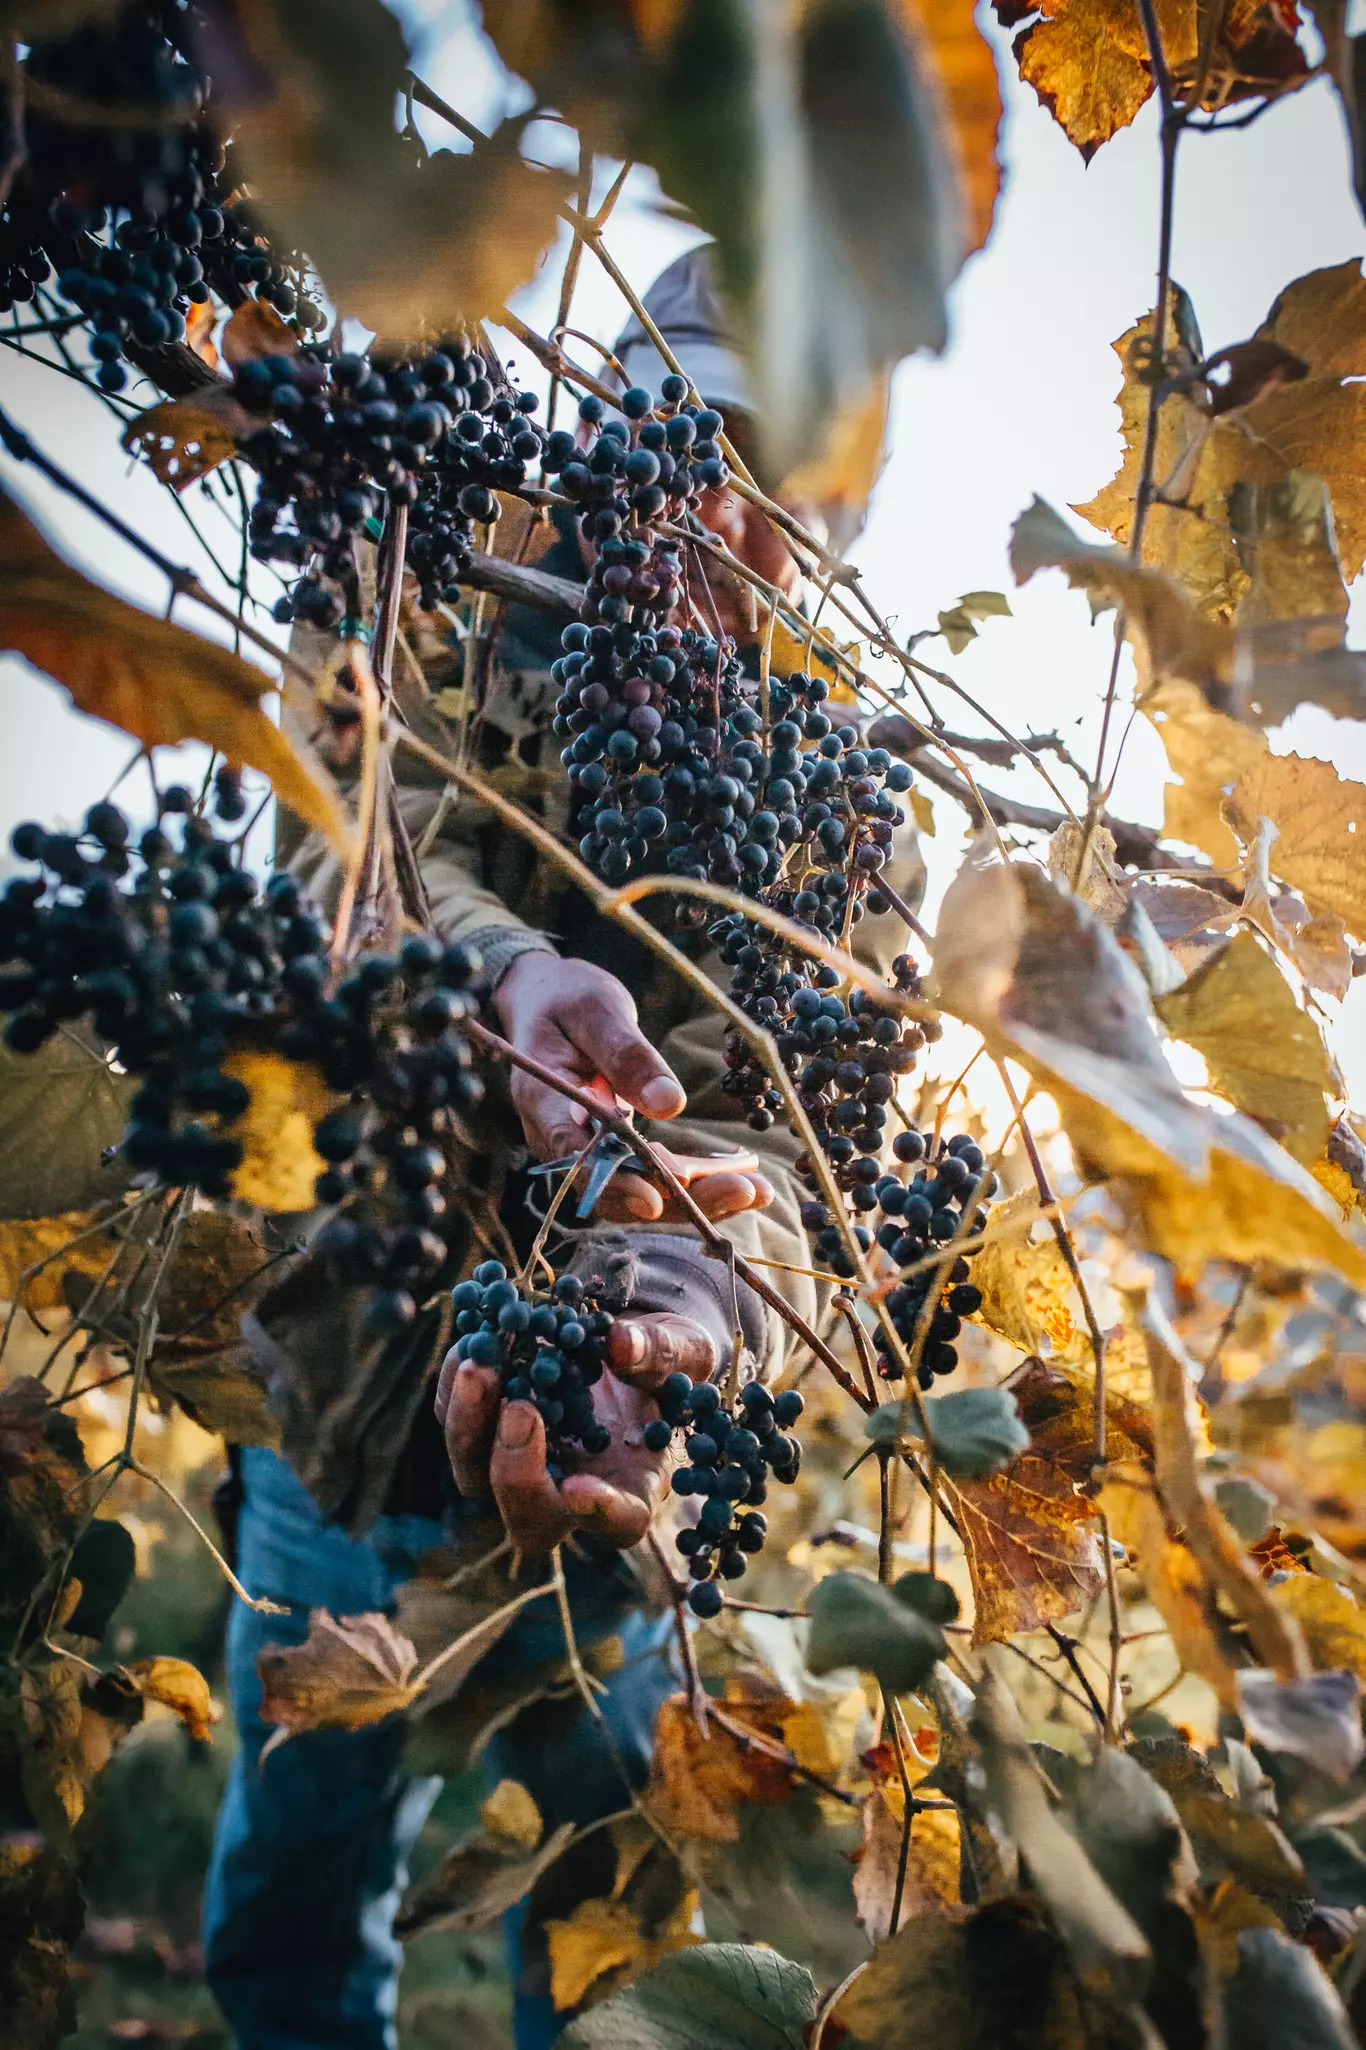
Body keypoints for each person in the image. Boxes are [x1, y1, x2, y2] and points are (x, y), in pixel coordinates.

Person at [202, 245, 919, 2050]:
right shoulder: (418, 586)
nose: (710, 517)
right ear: (602, 431)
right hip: (351, 1392)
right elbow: (340, 848)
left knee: (601, 1936)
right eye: (677, 442)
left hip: (593, 1443)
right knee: (290, 1899)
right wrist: (502, 973)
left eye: (773, 481)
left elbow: (782, 1143)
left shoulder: (834, 810)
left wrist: (671, 1300)